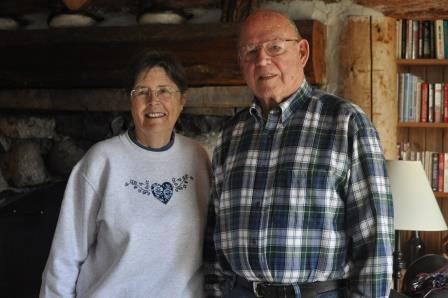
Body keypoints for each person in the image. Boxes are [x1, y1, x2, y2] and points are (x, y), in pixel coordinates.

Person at [204, 10, 394, 298]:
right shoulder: (231, 134)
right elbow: (215, 231)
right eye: (250, 51)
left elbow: (374, 237)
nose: (262, 60)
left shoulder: (345, 122)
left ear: (302, 52)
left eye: (275, 47)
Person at [40, 51, 211, 297]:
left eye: (164, 90)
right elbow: (65, 255)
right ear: (130, 101)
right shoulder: (101, 161)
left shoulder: (198, 157)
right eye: (142, 91)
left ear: (182, 99)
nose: (153, 101)